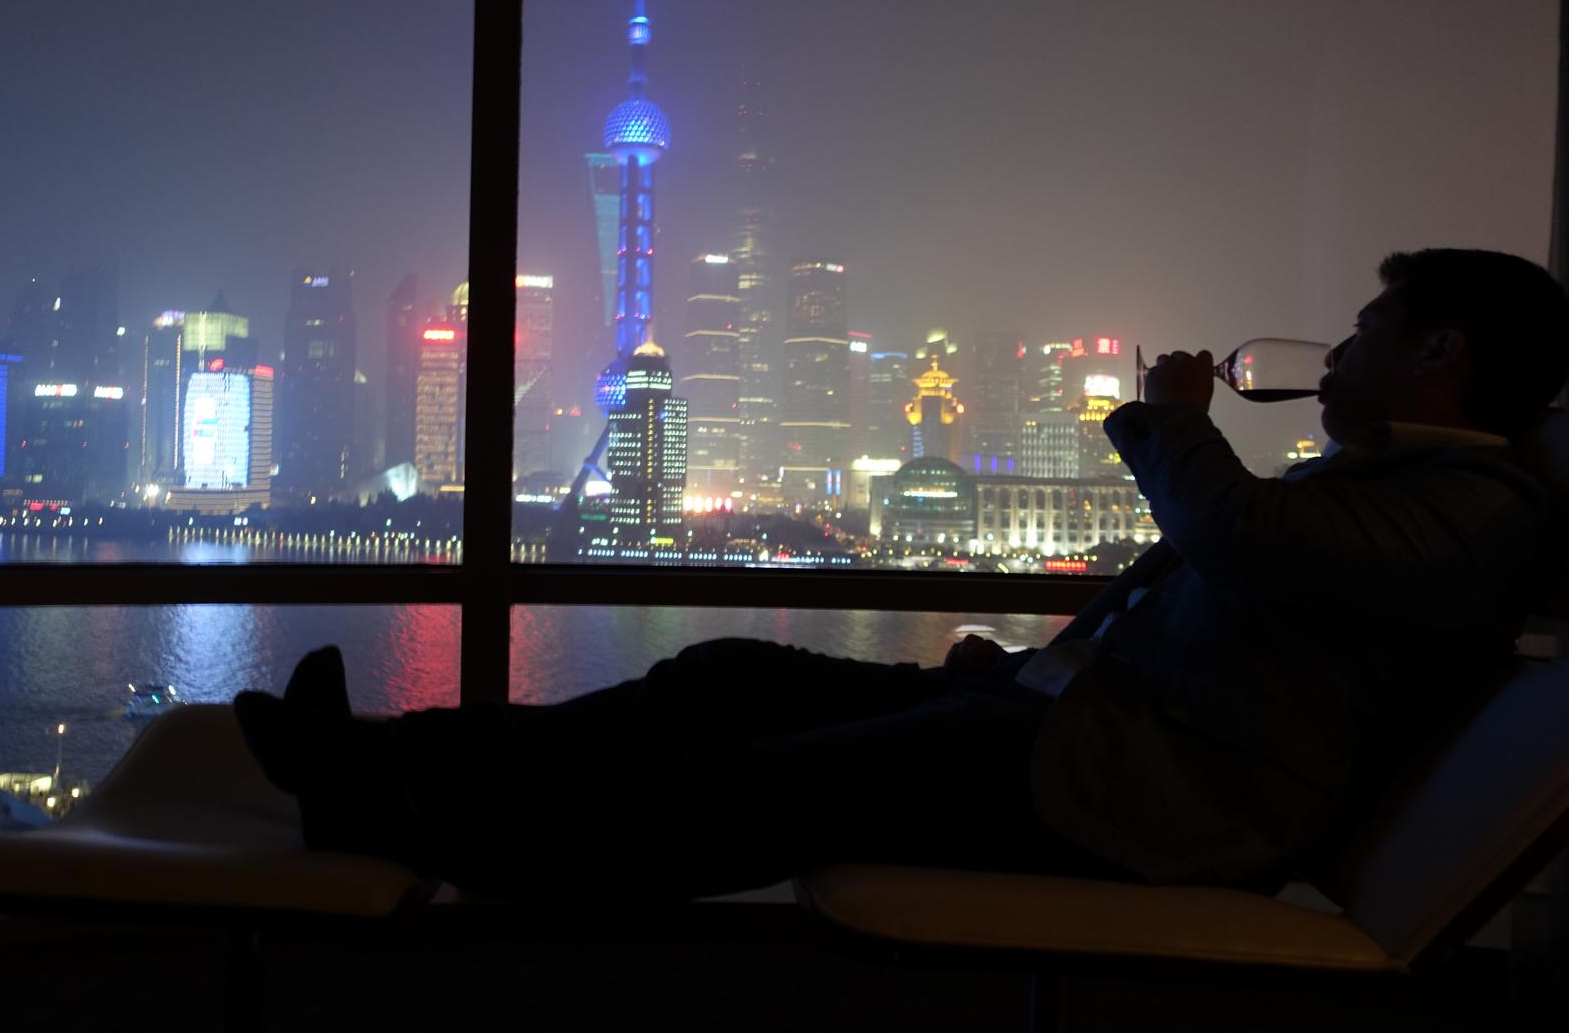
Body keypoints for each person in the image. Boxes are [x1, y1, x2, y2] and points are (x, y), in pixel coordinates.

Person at [235, 248, 1569, 901]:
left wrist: (1178, 421)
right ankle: (397, 767)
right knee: (730, 672)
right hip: (1075, 732)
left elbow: (1240, 548)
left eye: (1368, 330)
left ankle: (427, 842)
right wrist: (1036, 667)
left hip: (1134, 802)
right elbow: (1240, 609)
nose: (1334, 352)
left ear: (1441, 351)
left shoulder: (1473, 508)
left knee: (740, 788)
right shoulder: (1409, 493)